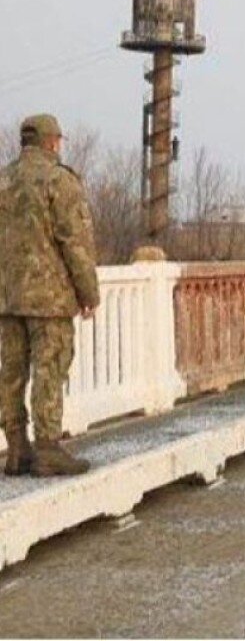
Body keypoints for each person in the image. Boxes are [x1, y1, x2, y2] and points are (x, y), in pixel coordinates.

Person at [0, 114, 99, 477]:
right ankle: (47, 448)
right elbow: (75, 242)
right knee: (49, 368)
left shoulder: (3, 180)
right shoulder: (59, 180)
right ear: (52, 142)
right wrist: (88, 292)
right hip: (49, 298)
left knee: (10, 372)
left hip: (7, 297)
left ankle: (16, 448)